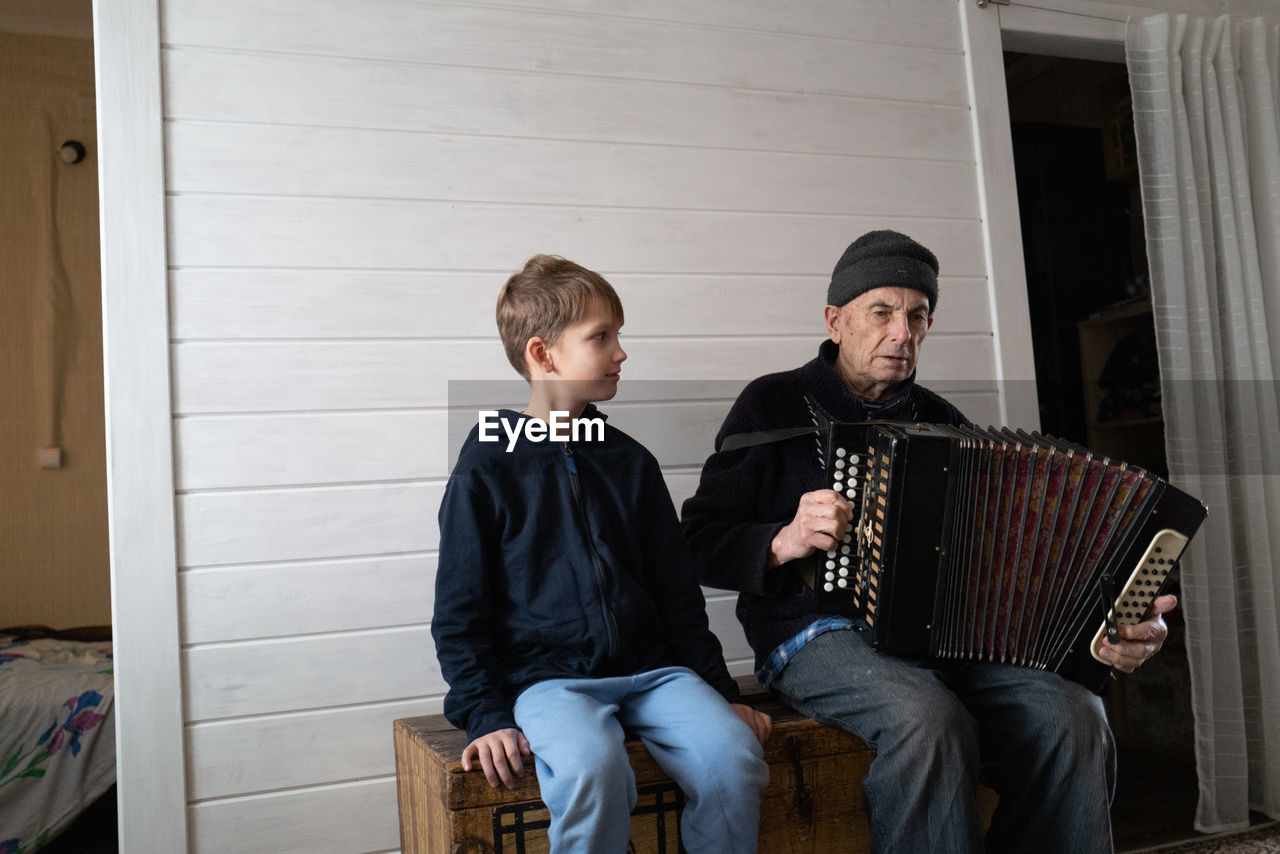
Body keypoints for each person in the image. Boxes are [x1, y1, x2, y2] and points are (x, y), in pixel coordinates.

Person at [681, 229, 1175, 853]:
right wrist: (784, 538)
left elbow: (1019, 559)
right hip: (814, 633)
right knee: (926, 718)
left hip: (948, 638)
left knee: (1073, 714)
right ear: (836, 321)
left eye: (917, 316)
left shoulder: (944, 423)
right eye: (881, 312)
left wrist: (1113, 621)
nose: (901, 332)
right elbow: (696, 542)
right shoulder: (770, 402)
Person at [432, 254, 771, 854]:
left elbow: (676, 592)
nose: (621, 352)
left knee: (733, 756)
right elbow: (460, 609)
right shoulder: (488, 464)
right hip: (548, 683)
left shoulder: (629, 462)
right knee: (593, 770)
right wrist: (486, 715)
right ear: (543, 354)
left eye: (619, 335)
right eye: (602, 337)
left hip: (655, 674)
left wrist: (722, 695)